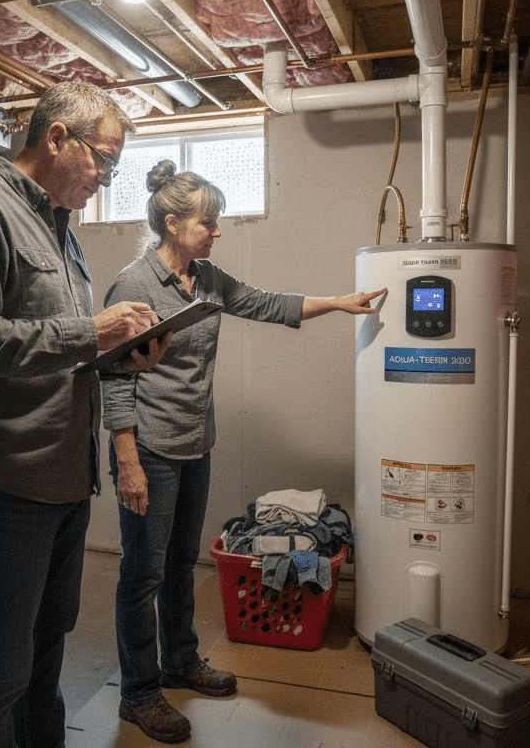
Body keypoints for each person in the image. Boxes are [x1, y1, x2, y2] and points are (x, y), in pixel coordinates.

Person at [0, 81, 169, 748]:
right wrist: (93, 331)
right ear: (56, 137)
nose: (107, 177)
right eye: (104, 159)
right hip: (1, 477)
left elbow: (57, 350)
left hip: (62, 476)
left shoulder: (63, 232)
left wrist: (120, 356)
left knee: (43, 657)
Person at [102, 160, 387, 743]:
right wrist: (127, 460)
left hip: (194, 444)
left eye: (218, 220)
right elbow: (113, 378)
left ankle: (180, 660)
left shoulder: (205, 278)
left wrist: (339, 302)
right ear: (173, 223)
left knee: (181, 564)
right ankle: (139, 692)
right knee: (142, 573)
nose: (217, 230)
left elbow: (264, 303)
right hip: (149, 448)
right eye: (208, 222)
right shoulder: (133, 287)